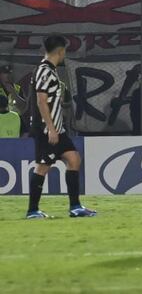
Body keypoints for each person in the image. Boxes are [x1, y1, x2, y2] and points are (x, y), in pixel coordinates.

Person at [26, 35, 96, 219]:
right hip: (47, 129)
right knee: (43, 167)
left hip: (58, 129)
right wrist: (50, 128)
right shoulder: (44, 71)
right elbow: (41, 102)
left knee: (73, 159)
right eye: (64, 50)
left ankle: (75, 207)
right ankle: (32, 210)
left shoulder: (50, 70)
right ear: (60, 51)